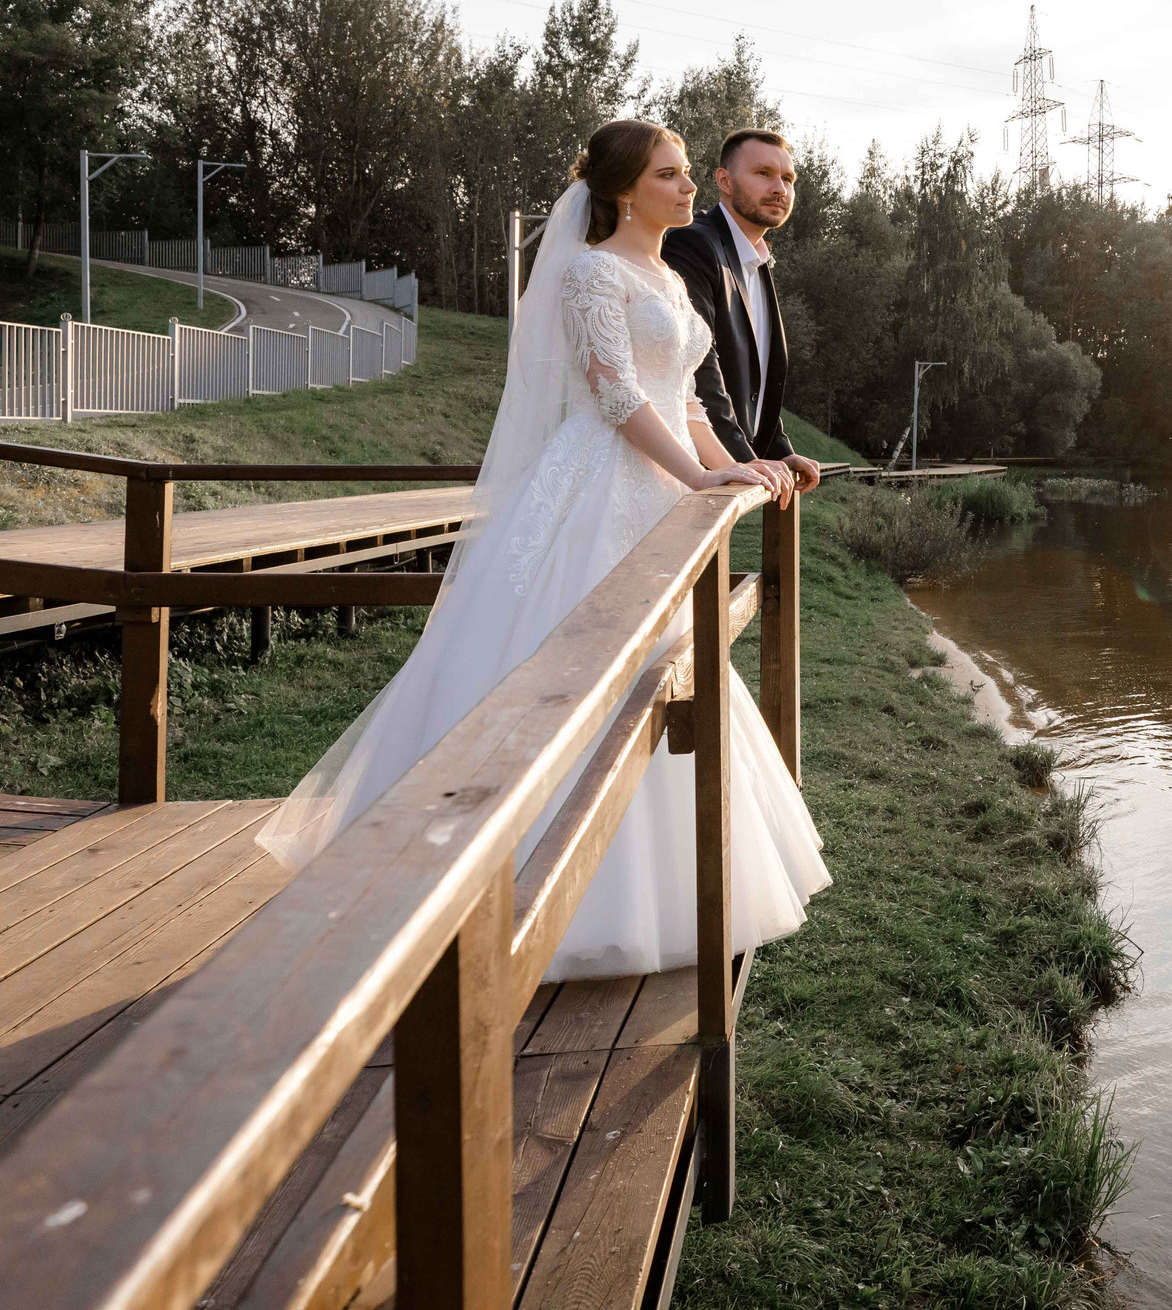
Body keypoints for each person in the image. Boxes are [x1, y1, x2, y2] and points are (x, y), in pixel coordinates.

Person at [259, 119, 830, 981]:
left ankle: (658, 891)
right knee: (562, 661)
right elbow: (618, 398)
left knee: (663, 672)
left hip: (661, 481)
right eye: (671, 175)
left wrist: (735, 466)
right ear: (622, 190)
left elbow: (689, 404)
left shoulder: (671, 275)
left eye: (685, 175)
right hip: (597, 486)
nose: (686, 189)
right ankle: (499, 885)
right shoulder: (588, 274)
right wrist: (698, 480)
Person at [662, 128, 822, 499]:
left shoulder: (757, 258)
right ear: (724, 181)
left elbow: (754, 375)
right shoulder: (694, 242)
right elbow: (699, 363)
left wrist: (777, 452)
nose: (780, 188)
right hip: (685, 466)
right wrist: (740, 460)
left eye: (787, 178)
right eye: (763, 173)